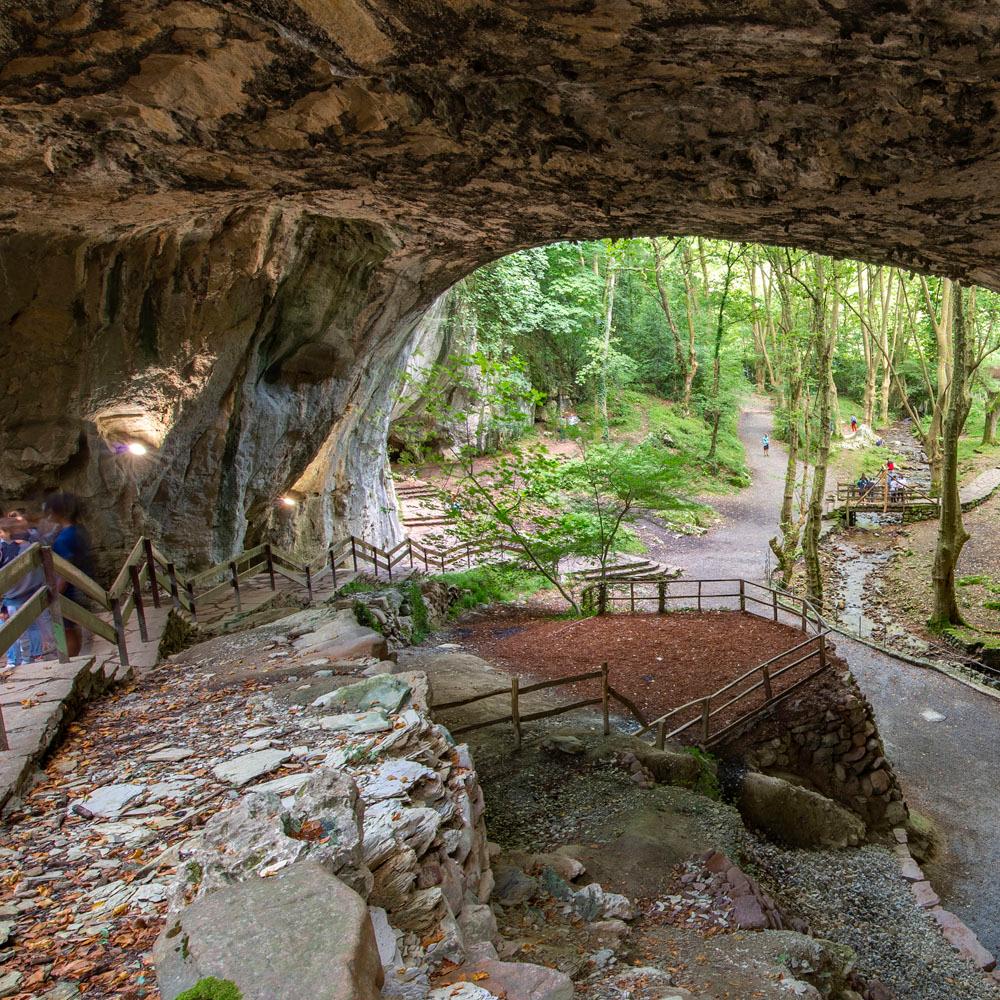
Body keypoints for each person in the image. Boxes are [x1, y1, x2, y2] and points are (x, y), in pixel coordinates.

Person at [42, 493, 93, 657]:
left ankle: (69, 661)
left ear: (58, 512)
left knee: (67, 630)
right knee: (73, 628)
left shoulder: (63, 538)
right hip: (80, 587)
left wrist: (56, 591)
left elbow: (66, 567)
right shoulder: (77, 530)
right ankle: (76, 657)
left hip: (68, 592)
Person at [0, 517, 46, 665]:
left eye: (1, 532)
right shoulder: (31, 545)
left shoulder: (7, 549)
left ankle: (15, 660)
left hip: (13, 596)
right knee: (32, 626)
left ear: (8, 532)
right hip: (31, 592)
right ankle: (36, 656)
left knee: (11, 629)